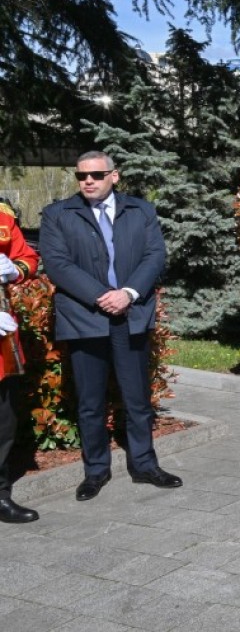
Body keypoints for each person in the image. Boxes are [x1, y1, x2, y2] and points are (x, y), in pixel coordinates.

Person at [40, 151, 182, 501]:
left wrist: (129, 293)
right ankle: (95, 472)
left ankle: (145, 465)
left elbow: (155, 255)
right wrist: (103, 295)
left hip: (131, 316)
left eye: (96, 175)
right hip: (85, 319)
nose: (88, 181)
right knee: (90, 402)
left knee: (137, 399)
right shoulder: (58, 214)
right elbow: (57, 264)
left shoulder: (141, 210)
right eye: (81, 176)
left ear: (114, 176)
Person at [0, 200, 40, 522]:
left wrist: (15, 269)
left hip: (2, 345)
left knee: (3, 423)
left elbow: (27, 256)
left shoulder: (2, 216)